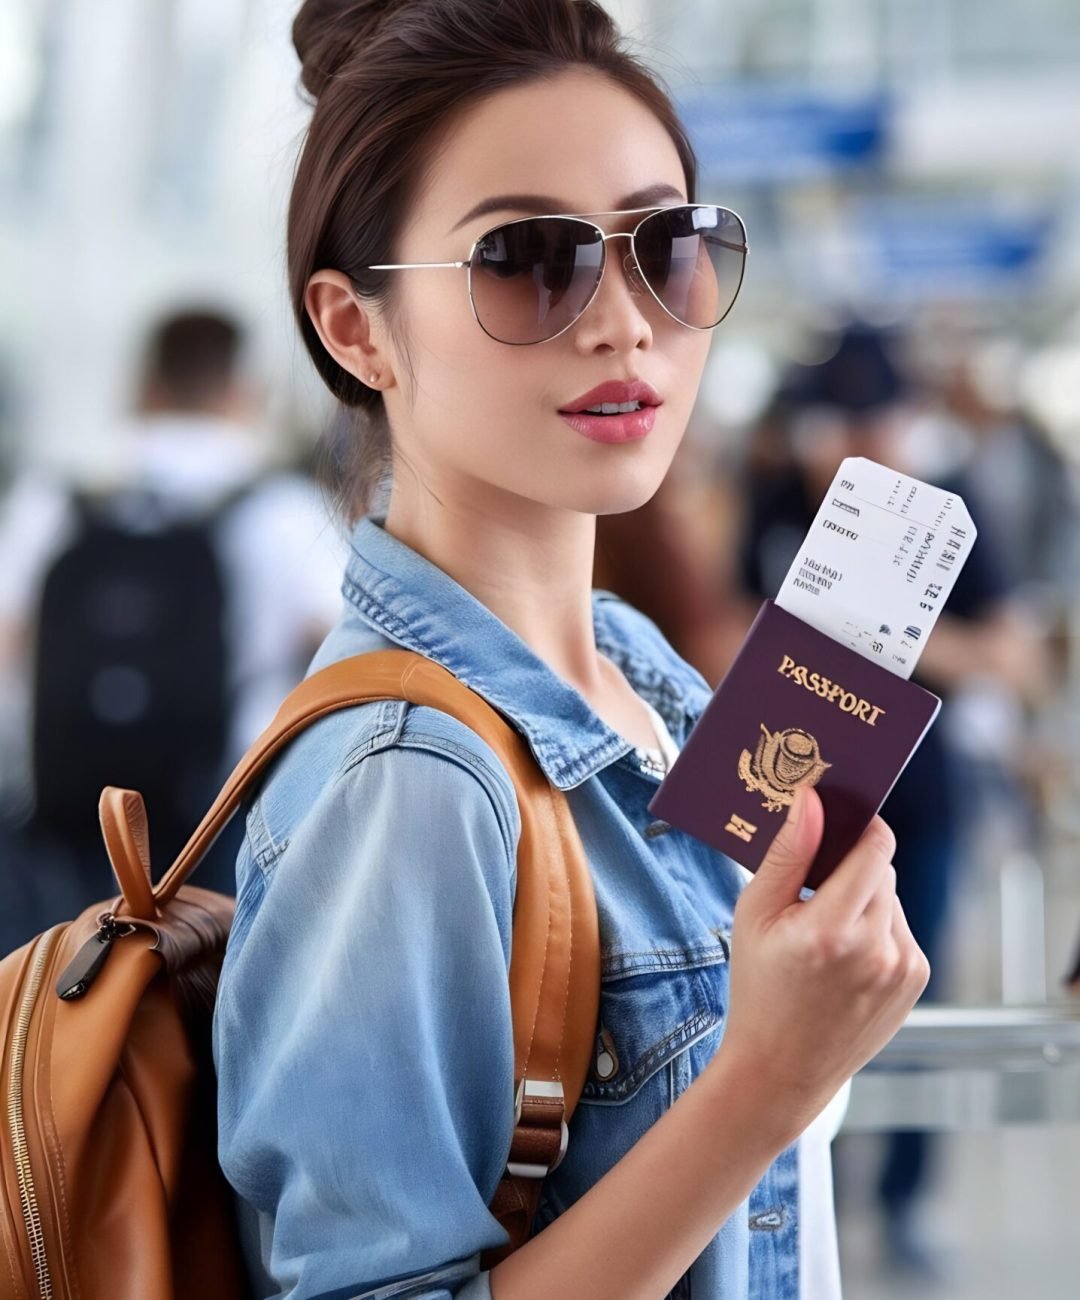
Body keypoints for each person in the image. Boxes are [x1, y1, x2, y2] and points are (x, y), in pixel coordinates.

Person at [210, 4, 930, 1298]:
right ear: (355, 327)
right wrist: (766, 1077)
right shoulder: (409, 780)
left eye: (672, 248)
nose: (625, 322)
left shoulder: (640, 667)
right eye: (529, 259)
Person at [735, 322, 1046, 1281]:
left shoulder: (946, 518)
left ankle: (903, 1199)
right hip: (788, 804)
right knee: (774, 1002)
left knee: (915, 992)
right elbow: (722, 627)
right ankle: (792, 1189)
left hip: (922, 809)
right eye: (835, 421)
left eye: (875, 419)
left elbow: (1017, 657)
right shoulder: (777, 501)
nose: (855, 443)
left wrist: (877, 646)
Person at [0, 307, 345, 952]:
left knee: (56, 986)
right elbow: (336, 645)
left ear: (147, 384)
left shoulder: (56, 496)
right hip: (220, 810)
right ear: (241, 391)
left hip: (69, 800)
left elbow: (9, 637)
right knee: (201, 996)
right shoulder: (281, 507)